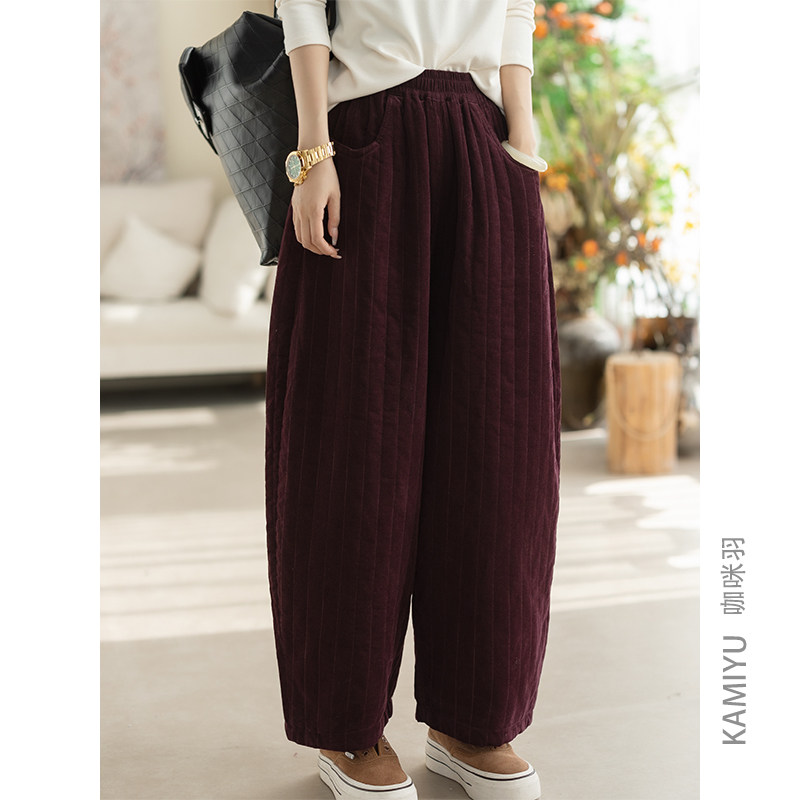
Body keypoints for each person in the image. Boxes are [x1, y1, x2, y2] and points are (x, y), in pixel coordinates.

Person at [265, 2, 561, 798]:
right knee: (352, 447)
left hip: (486, 144)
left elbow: (514, 15)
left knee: (498, 448)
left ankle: (474, 720)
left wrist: (522, 141)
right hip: (364, 138)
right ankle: (347, 726)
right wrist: (313, 151)